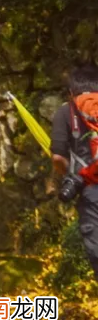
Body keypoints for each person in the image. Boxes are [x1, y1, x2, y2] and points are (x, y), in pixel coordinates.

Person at [50, 60, 98, 277]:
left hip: (90, 193)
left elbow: (58, 157)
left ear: (71, 91)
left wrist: (71, 175)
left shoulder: (65, 111)